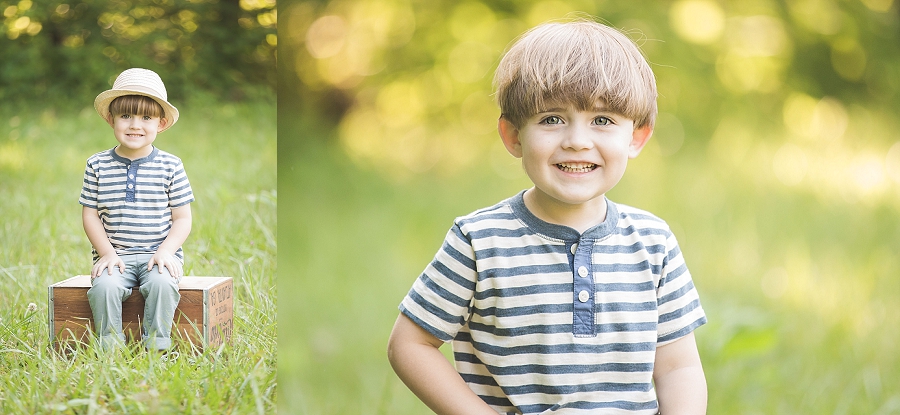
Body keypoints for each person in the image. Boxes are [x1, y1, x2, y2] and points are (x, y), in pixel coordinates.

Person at [388, 19, 707, 414]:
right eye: (551, 119)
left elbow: (679, 368)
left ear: (636, 137)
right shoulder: (480, 240)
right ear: (513, 136)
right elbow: (410, 344)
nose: (576, 140)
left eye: (603, 120)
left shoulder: (653, 242)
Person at [79, 68, 194, 351]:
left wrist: (166, 251)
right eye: (126, 116)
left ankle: (157, 345)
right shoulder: (97, 165)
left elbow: (182, 218)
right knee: (104, 288)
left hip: (159, 255)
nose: (135, 125)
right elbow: (90, 214)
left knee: (162, 286)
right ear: (111, 119)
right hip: (115, 256)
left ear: (161, 124)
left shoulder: (171, 165)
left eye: (146, 117)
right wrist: (106, 253)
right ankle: (109, 346)